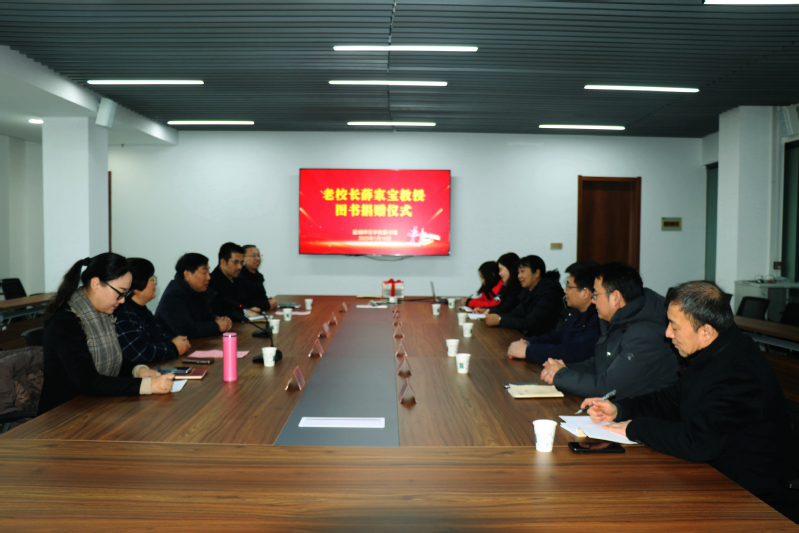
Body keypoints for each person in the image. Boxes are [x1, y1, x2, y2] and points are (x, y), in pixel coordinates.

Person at [583, 280, 799, 523]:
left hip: (753, 501)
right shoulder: (713, 353)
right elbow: (670, 400)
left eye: (674, 327)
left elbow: (698, 442)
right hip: (715, 479)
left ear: (706, 331)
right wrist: (620, 409)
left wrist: (635, 428)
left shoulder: (740, 373)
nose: (667, 334)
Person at [38, 253, 174, 415]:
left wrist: (138, 370)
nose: (122, 300)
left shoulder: (102, 314)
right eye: (120, 293)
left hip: (95, 407)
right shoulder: (66, 322)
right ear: (96, 284)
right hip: (63, 415)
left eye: (126, 294)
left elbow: (113, 359)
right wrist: (147, 386)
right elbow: (89, 382)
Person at [541, 261, 677, 400]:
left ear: (615, 297)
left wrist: (560, 375)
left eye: (596, 295)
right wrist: (566, 368)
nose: (593, 301)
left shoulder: (646, 334)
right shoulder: (622, 319)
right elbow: (602, 365)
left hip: (643, 411)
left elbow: (608, 388)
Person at [507, 260, 600, 365]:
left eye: (569, 287)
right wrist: (529, 342)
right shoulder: (577, 313)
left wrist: (528, 351)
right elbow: (557, 337)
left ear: (585, 293)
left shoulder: (597, 321)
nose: (565, 290)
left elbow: (574, 353)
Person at [114, 258, 191, 363]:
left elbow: (161, 336)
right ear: (137, 285)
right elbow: (140, 353)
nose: (155, 284)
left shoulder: (143, 310)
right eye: (152, 280)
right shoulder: (122, 313)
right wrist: (174, 347)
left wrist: (178, 341)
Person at [155, 253, 232, 339]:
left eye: (208, 272)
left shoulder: (196, 290)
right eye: (204, 273)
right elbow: (185, 330)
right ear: (187, 275)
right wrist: (217, 326)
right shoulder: (173, 295)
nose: (209, 277)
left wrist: (217, 319)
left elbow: (206, 315)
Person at [484, 255, 562, 337]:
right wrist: (497, 317)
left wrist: (500, 320)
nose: (519, 276)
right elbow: (516, 314)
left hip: (541, 340)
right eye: (518, 272)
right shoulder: (528, 290)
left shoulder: (548, 294)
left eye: (522, 271)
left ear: (536, 273)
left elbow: (530, 322)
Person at [209, 242, 256, 320]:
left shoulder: (238, 280)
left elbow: (244, 302)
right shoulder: (211, 282)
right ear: (223, 262)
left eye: (241, 263)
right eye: (236, 262)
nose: (240, 267)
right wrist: (245, 313)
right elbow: (217, 312)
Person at [240, 244, 278, 313]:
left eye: (258, 255)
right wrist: (267, 304)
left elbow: (262, 298)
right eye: (253, 256)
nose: (257, 259)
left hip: (259, 313)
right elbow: (243, 303)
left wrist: (269, 301)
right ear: (243, 258)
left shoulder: (259, 276)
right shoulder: (239, 276)